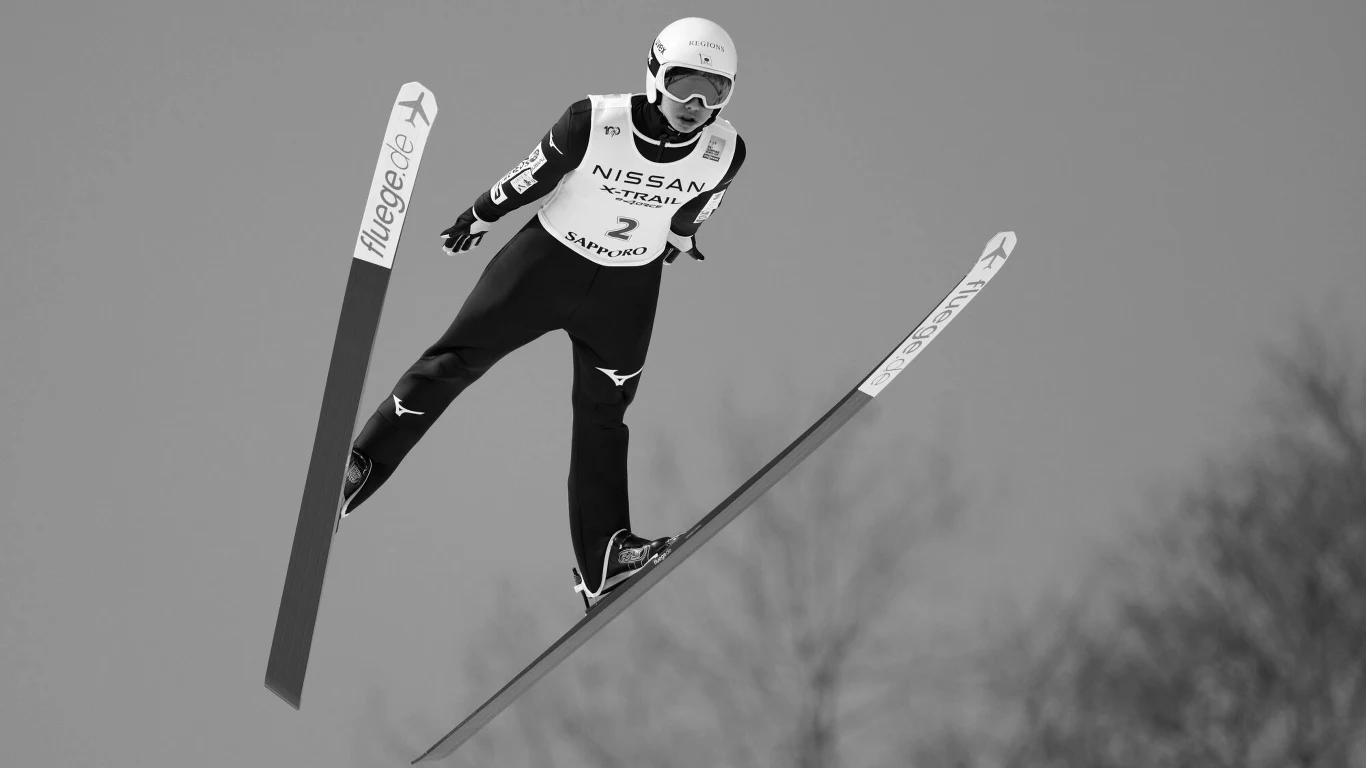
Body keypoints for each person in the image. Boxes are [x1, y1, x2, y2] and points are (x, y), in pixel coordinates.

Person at [337, 17, 747, 611]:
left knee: (605, 415)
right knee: (454, 361)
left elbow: (697, 209)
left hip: (627, 289)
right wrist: (480, 215)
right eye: (685, 83)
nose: (696, 103)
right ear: (656, 74)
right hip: (545, 266)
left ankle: (604, 558)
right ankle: (357, 468)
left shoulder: (726, 149)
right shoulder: (595, 121)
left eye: (715, 90)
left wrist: (681, 241)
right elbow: (535, 173)